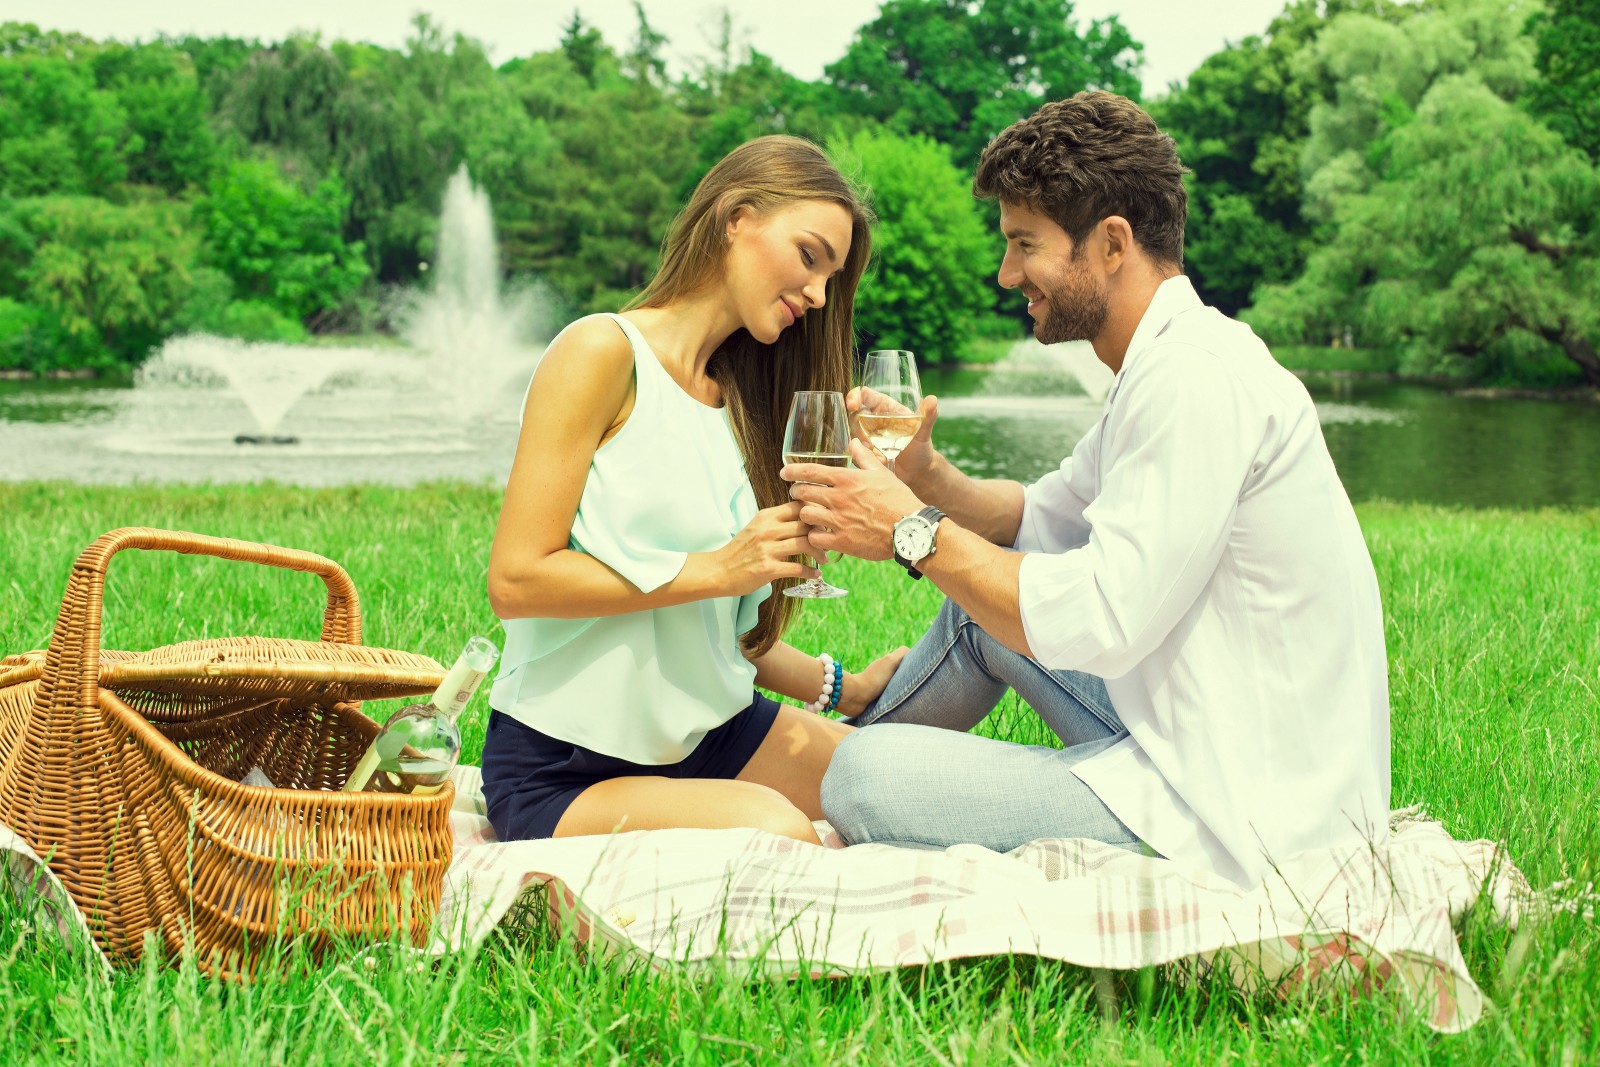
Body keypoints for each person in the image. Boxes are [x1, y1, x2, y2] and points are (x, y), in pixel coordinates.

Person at [783, 93, 1391, 887]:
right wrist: (926, 477)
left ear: (1111, 244)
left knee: (865, 781)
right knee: (976, 615)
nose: (1007, 274)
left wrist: (913, 530)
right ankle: (840, 750)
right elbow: (1038, 517)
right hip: (1191, 728)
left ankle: (847, 771)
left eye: (1023, 244)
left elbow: (1103, 618)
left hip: (1238, 807)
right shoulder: (1165, 362)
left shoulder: (1194, 382)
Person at [483, 136, 905, 845]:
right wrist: (720, 567)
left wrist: (844, 688)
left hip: (712, 735)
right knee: (781, 833)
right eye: (809, 257)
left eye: (832, 277)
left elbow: (712, 631)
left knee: (900, 784)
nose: (818, 294)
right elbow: (517, 580)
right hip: (567, 767)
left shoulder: (742, 402)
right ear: (736, 217)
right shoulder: (601, 353)